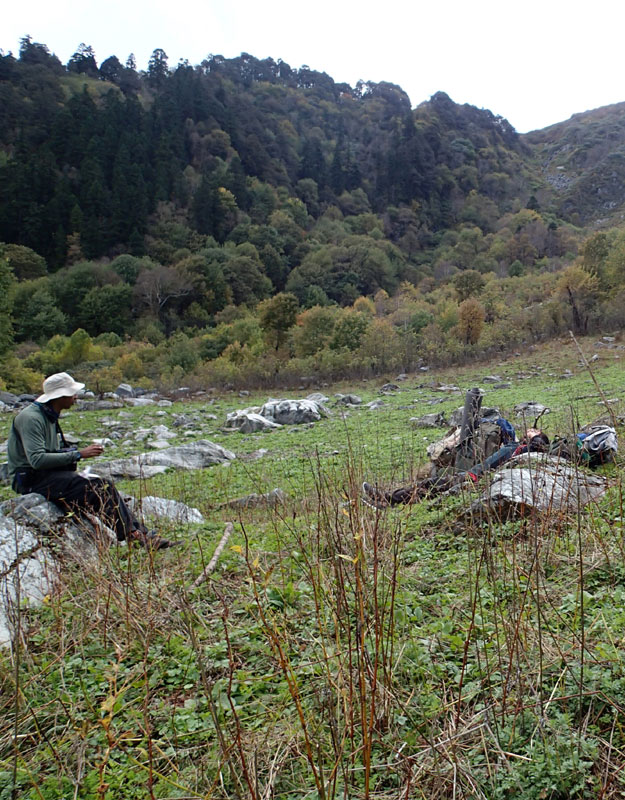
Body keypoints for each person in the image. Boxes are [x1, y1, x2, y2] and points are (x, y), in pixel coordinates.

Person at [7, 372, 177, 550]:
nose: (75, 396)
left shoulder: (48, 415)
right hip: (32, 480)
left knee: (104, 486)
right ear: (60, 396)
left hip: (49, 474)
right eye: (72, 392)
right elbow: (37, 460)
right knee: (98, 487)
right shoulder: (31, 418)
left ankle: (140, 533)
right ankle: (135, 536)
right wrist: (79, 454)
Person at [362, 429, 550, 509]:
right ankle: (389, 500)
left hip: (476, 479)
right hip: (473, 475)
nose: (528, 432)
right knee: (431, 486)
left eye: (533, 431)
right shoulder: (515, 446)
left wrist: (535, 436)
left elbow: (540, 446)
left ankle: (387, 499)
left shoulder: (529, 448)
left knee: (432, 485)